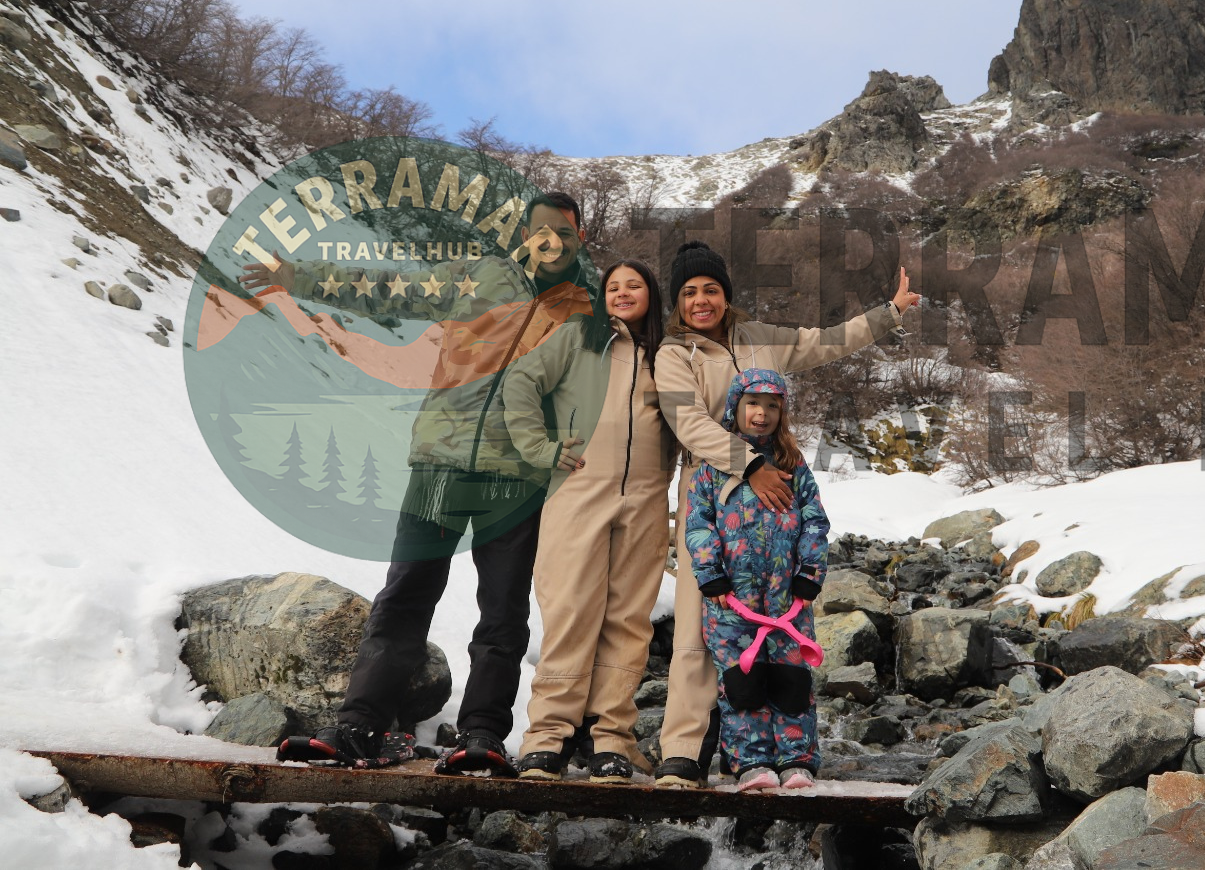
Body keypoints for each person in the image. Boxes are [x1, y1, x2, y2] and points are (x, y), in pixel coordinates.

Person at [243, 192, 596, 776]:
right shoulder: (480, 275)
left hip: (518, 476)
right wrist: (297, 275)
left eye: (562, 229)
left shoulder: (586, 306)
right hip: (442, 460)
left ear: (578, 237)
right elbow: (387, 285)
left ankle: (481, 734)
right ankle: (360, 725)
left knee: (502, 610)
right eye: (539, 228)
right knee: (407, 592)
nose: (549, 237)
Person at [652, 239, 920, 788]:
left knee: (776, 633)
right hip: (712, 491)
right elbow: (689, 425)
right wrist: (749, 466)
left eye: (710, 290)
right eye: (688, 293)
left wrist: (888, 314)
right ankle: (684, 747)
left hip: (777, 497)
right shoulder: (674, 354)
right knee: (699, 629)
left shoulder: (758, 340)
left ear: (726, 295)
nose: (701, 301)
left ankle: (778, 750)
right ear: (677, 304)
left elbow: (825, 343)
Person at [499, 259, 675, 784]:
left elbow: (691, 419)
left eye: (634, 285)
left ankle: (611, 740)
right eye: (613, 286)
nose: (622, 293)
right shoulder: (580, 338)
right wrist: (539, 447)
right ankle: (547, 738)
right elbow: (520, 381)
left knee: (628, 621)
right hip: (577, 491)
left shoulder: (668, 354)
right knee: (571, 611)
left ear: (652, 295)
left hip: (646, 499)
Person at [687, 368, 828, 791]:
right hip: (732, 602)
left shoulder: (793, 464)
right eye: (752, 404)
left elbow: (814, 521)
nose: (761, 415)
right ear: (736, 407)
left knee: (792, 678)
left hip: (787, 602)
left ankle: (796, 759)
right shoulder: (714, 466)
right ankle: (750, 761)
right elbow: (698, 523)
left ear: (781, 413)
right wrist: (711, 576)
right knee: (741, 682)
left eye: (771, 407)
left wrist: (808, 574)